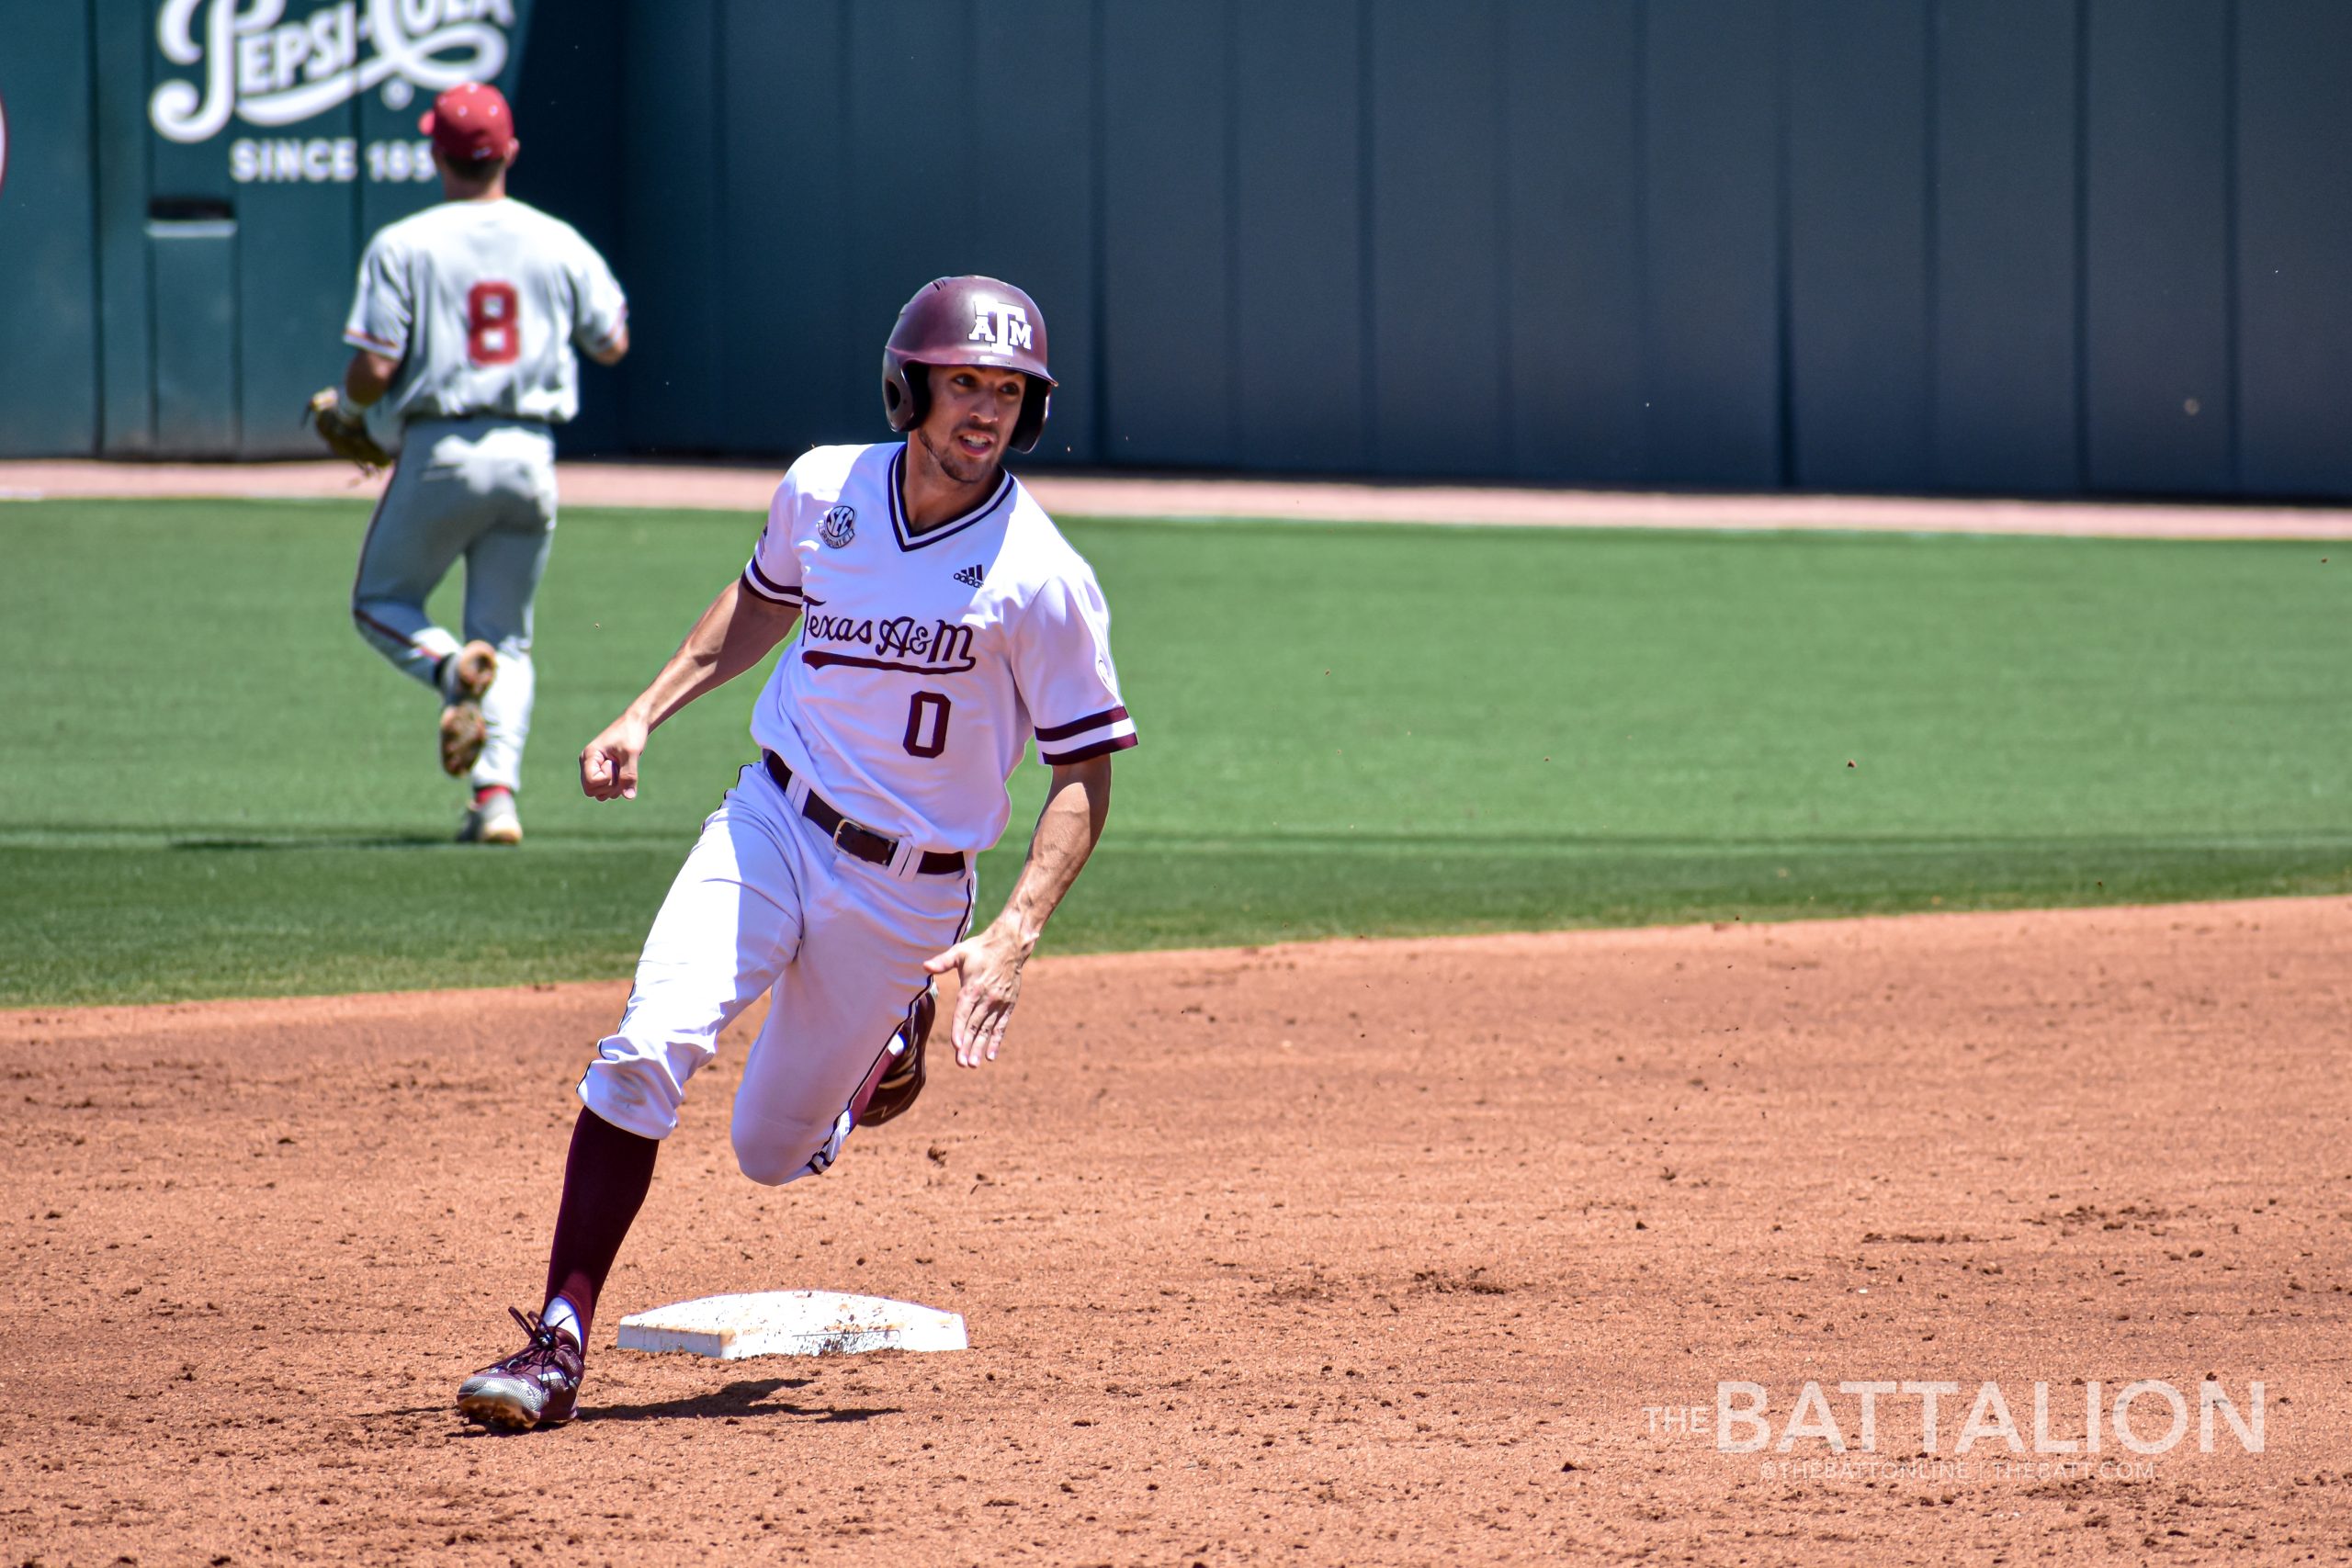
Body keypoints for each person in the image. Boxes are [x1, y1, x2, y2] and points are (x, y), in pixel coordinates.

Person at [455, 276, 1136, 1428]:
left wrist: (1014, 933)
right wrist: (643, 710)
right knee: (646, 1044)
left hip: (907, 892)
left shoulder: (1043, 574)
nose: (984, 410)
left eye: (1008, 392)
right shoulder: (826, 488)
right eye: (963, 382)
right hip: (770, 816)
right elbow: (765, 599)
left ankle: (883, 1044)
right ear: (909, 385)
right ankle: (556, 1343)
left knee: (769, 1153)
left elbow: (1084, 772)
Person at [333, 82, 628, 844]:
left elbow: (374, 367)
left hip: (442, 447)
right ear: (511, 153)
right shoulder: (556, 239)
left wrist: (351, 406)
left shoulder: (404, 242)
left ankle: (445, 669)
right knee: (511, 638)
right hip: (530, 455)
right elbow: (612, 342)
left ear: (436, 153)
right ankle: (495, 798)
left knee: (379, 601)